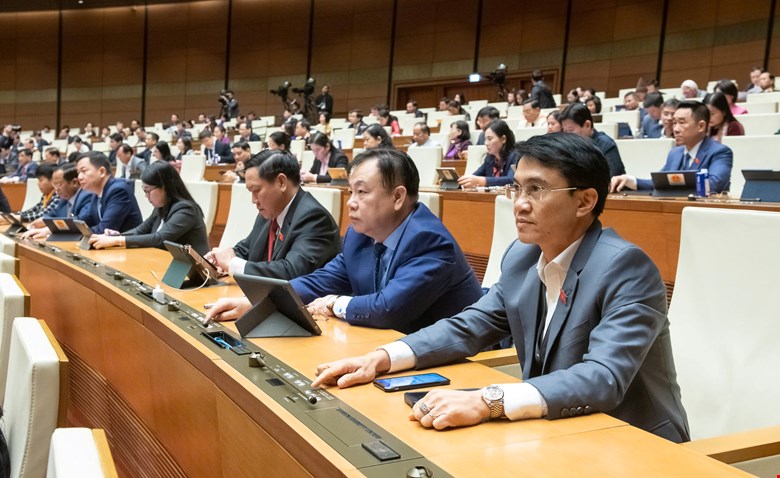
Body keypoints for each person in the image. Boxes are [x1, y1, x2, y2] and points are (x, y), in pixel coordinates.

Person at [308, 133, 690, 443]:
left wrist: (487, 401)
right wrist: (380, 358)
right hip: (553, 432)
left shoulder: (625, 267)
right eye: (516, 189)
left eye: (536, 190)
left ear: (585, 201)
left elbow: (602, 377)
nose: (519, 204)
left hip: (631, 442)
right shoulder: (522, 258)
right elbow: (467, 325)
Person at [205, 149, 482, 334]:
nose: (350, 203)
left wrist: (334, 304)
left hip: (460, 364)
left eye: (361, 192)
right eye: (350, 191)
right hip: (388, 347)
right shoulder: (359, 236)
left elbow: (388, 309)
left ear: (398, 197)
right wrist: (258, 302)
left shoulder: (429, 241)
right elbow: (320, 280)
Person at [204, 153, 341, 278]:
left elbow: (292, 271)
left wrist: (233, 264)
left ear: (281, 182)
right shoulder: (270, 212)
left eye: (257, 191)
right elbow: (246, 249)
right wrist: (219, 259)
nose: (253, 200)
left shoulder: (314, 218)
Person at [610, 101, 733, 193]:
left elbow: (714, 184)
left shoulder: (720, 152)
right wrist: (630, 180)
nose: (675, 129)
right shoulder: (675, 153)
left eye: (682, 122)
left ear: (701, 126)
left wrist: (672, 183)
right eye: (674, 123)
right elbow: (659, 182)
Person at [89, 161, 210, 253]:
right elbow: (139, 231)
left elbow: (159, 239)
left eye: (148, 191)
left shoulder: (187, 211)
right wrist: (116, 236)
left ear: (165, 187)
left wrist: (117, 241)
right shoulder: (161, 207)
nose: (146, 196)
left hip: (194, 275)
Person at [75, 151, 143, 234]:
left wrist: (76, 233)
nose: (79, 177)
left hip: (130, 245)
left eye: (84, 171)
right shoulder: (96, 193)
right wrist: (60, 227)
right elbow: (85, 220)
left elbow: (105, 229)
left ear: (102, 172)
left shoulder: (118, 191)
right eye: (78, 173)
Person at [559, 103, 626, 177]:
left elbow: (610, 178)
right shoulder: (569, 145)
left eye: (570, 130)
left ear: (587, 125)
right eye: (565, 131)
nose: (567, 136)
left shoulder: (606, 144)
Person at [458, 119, 519, 188]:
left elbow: (512, 179)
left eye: (489, 139)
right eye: (485, 139)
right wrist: (466, 180)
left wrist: (482, 181)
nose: (486, 143)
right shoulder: (490, 158)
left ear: (503, 139)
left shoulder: (515, 156)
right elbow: (476, 175)